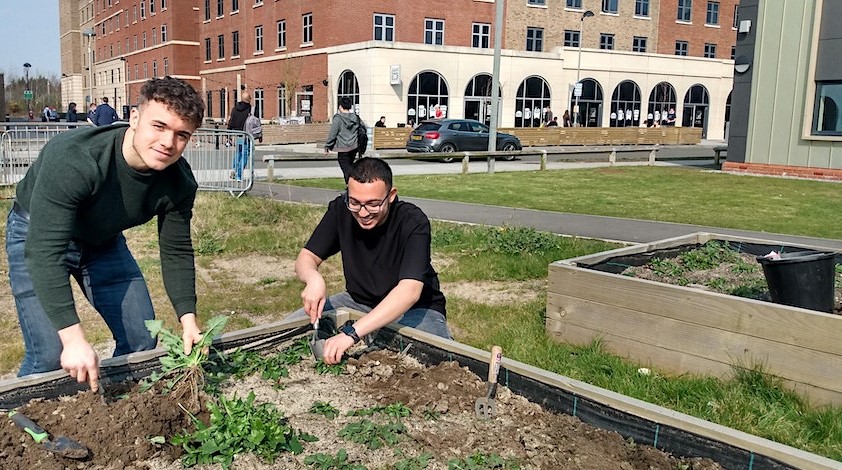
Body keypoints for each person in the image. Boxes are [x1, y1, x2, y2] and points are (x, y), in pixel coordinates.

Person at [6, 76, 206, 392]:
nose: (169, 142)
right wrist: (73, 338)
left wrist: (188, 319)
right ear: (135, 118)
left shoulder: (178, 182)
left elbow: (177, 250)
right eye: (159, 126)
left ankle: (117, 414)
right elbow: (45, 251)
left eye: (182, 134)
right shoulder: (75, 159)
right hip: (36, 232)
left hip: (102, 242)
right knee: (49, 354)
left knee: (141, 339)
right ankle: (18, 423)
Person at [291, 157, 451, 364]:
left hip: (415, 310)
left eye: (373, 204)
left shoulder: (413, 221)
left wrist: (351, 333)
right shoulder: (341, 209)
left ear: (391, 195)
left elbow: (410, 291)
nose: (363, 213)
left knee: (436, 360)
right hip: (358, 302)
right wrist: (314, 279)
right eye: (355, 202)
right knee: (289, 331)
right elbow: (306, 257)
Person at [325, 97, 365, 183]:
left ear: (340, 106)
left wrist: (328, 145)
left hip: (343, 147)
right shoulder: (356, 118)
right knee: (349, 165)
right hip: (354, 146)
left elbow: (333, 133)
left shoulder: (338, 118)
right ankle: (352, 184)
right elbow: (363, 128)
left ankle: (351, 184)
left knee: (345, 167)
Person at [226, 92, 253, 181]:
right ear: (249, 100)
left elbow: (231, 121)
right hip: (246, 134)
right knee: (245, 154)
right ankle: (239, 175)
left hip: (238, 134)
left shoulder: (235, 108)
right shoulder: (250, 109)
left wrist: (228, 133)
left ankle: (234, 168)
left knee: (238, 152)